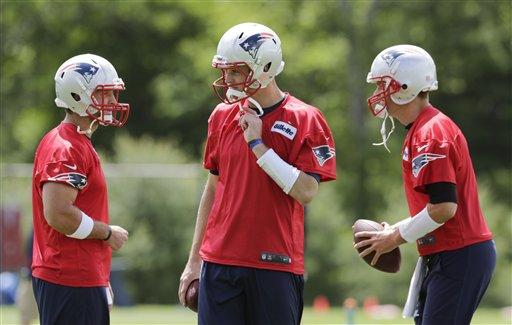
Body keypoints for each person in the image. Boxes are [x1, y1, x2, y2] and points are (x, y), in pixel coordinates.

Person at [178, 22, 336, 324]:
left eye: (236, 71)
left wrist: (258, 144)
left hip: (275, 264)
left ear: (264, 67)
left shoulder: (306, 118)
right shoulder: (222, 115)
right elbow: (212, 189)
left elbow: (306, 191)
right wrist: (194, 260)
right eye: (225, 71)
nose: (227, 80)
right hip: (219, 262)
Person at [354, 44, 496, 325]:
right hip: (450, 252)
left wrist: (394, 238)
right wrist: (396, 229)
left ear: (405, 86)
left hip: (459, 252)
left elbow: (444, 208)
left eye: (383, 85)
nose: (377, 93)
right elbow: (436, 206)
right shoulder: (422, 129)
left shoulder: (430, 133)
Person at [31, 53, 130, 325]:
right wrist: (107, 232)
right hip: (70, 277)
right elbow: (59, 214)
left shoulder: (76, 141)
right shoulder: (66, 147)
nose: (112, 102)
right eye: (104, 94)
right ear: (78, 96)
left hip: (77, 277)